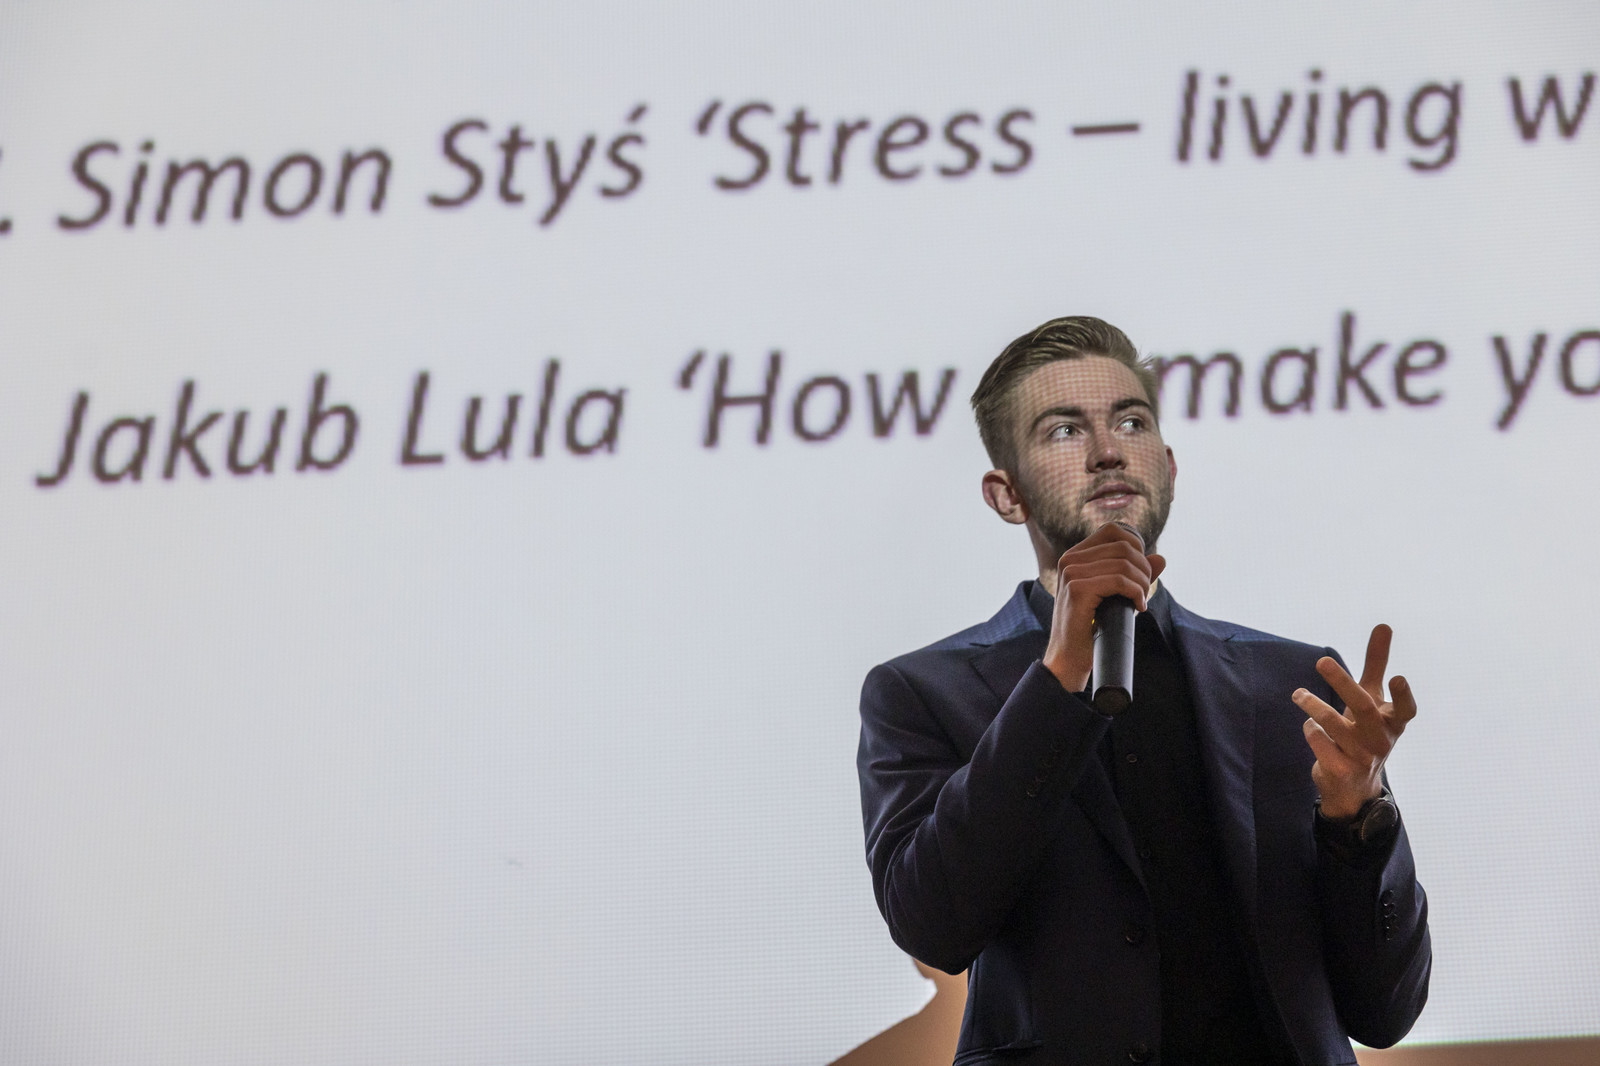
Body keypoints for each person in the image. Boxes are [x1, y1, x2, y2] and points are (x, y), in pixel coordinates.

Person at [856, 317, 1431, 1066]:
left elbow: (1384, 1011)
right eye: (1064, 431)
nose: (1107, 450)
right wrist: (1057, 678)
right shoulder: (922, 692)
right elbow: (932, 924)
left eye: (1131, 422)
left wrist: (1359, 817)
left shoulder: (1290, 685)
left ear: (1167, 465)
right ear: (1007, 495)